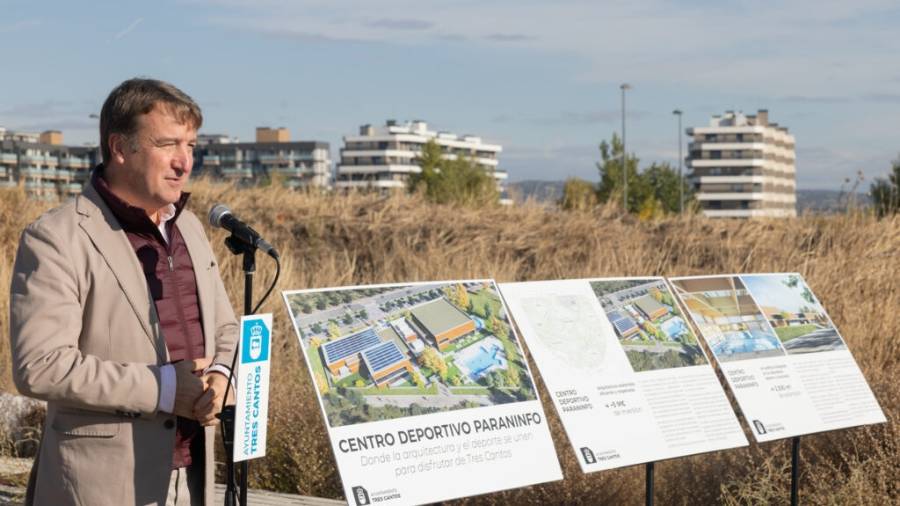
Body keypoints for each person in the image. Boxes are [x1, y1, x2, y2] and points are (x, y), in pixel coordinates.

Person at [9, 78, 238, 506]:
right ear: (119, 147)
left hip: (194, 478)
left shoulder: (189, 227)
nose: (184, 162)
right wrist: (164, 388)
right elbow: (40, 366)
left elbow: (225, 327)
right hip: (100, 485)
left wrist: (223, 376)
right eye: (168, 144)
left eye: (190, 145)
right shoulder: (56, 237)